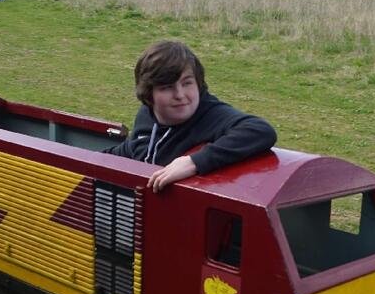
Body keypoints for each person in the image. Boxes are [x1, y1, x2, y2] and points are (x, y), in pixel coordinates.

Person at [103, 40, 276, 192]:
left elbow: (260, 130)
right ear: (149, 95)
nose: (180, 94)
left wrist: (193, 162)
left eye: (187, 83)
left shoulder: (209, 114)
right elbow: (133, 148)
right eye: (167, 87)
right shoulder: (146, 115)